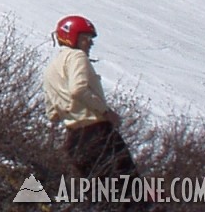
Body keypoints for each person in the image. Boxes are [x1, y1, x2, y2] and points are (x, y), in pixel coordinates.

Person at [43, 15, 140, 184]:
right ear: (73, 38)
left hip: (73, 141)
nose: (90, 43)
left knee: (99, 194)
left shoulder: (51, 69)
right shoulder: (77, 57)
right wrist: (106, 112)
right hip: (97, 133)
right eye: (86, 38)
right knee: (131, 190)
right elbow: (77, 89)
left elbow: (52, 113)